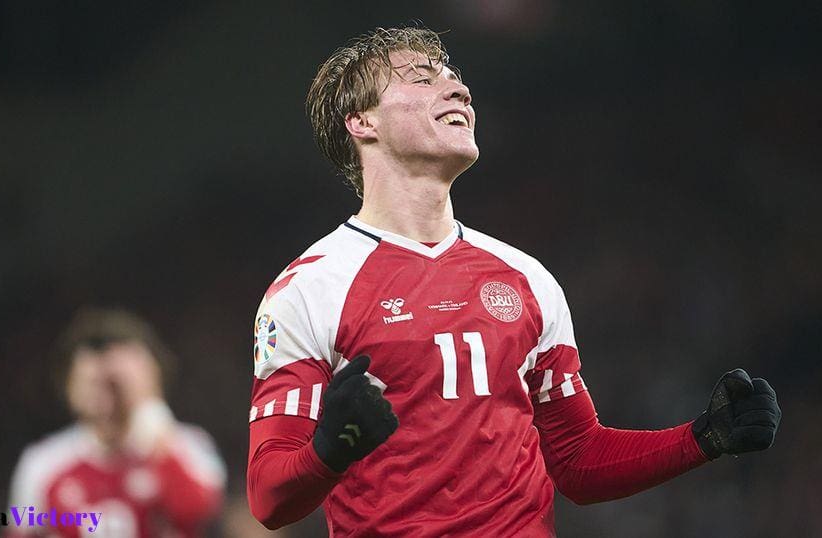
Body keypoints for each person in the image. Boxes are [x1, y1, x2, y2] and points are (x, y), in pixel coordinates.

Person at [246, 26, 781, 536]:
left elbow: (577, 460)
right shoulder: (309, 290)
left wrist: (703, 438)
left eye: (453, 75)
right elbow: (268, 499)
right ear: (361, 121)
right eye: (422, 77)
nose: (458, 86)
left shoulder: (527, 279)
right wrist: (330, 450)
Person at [8, 307, 225, 537]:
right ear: (69, 387)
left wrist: (149, 412)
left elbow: (197, 514)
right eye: (91, 381)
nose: (104, 393)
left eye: (115, 382)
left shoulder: (189, 445)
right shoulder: (42, 464)